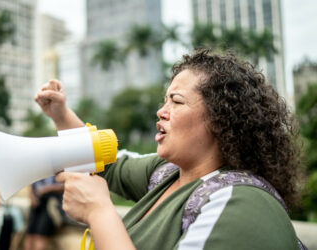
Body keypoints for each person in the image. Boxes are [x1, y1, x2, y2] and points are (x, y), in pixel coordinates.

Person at [35, 49, 303, 250]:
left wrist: (99, 212)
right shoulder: (168, 172)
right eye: (165, 101)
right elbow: (104, 163)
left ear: (221, 119)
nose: (161, 111)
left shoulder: (242, 204)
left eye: (176, 101)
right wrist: (61, 115)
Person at [23, 176, 64, 250]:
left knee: (40, 235)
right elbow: (31, 183)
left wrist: (46, 189)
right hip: (36, 203)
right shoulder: (36, 168)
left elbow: (63, 186)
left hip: (50, 204)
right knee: (30, 234)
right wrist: (31, 196)